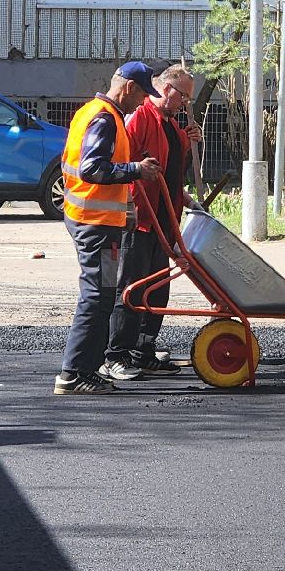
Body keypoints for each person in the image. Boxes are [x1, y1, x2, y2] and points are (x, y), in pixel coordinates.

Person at [54, 62, 164, 395]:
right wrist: (136, 169)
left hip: (94, 221)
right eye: (143, 93)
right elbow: (92, 169)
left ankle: (83, 370)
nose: (144, 101)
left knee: (100, 296)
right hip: (95, 225)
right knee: (96, 296)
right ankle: (73, 374)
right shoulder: (104, 118)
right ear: (129, 87)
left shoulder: (95, 112)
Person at [102, 63, 201, 381]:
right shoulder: (141, 117)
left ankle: (142, 350)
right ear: (169, 90)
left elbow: (170, 168)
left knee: (157, 290)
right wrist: (131, 200)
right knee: (131, 287)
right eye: (184, 97)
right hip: (141, 219)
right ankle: (115, 355)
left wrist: (189, 142)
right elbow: (124, 162)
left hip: (164, 217)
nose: (186, 104)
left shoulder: (171, 125)